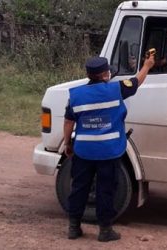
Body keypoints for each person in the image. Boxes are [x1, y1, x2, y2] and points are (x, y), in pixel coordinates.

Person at [63, 53, 155, 242]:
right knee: (106, 189)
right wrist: (147, 65)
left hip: (84, 152)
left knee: (79, 188)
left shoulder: (76, 94)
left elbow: (68, 122)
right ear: (105, 74)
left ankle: (73, 228)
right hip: (109, 151)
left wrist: (68, 144)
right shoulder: (116, 89)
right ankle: (105, 231)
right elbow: (137, 81)